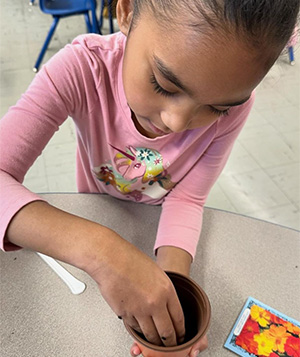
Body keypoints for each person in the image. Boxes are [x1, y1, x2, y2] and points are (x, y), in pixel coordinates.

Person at [0, 0, 299, 356]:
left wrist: (172, 293)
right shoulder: (81, 69)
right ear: (126, 12)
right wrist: (103, 252)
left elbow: (185, 199)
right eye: (162, 84)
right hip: (97, 213)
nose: (177, 122)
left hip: (160, 229)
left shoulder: (235, 105)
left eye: (217, 108)